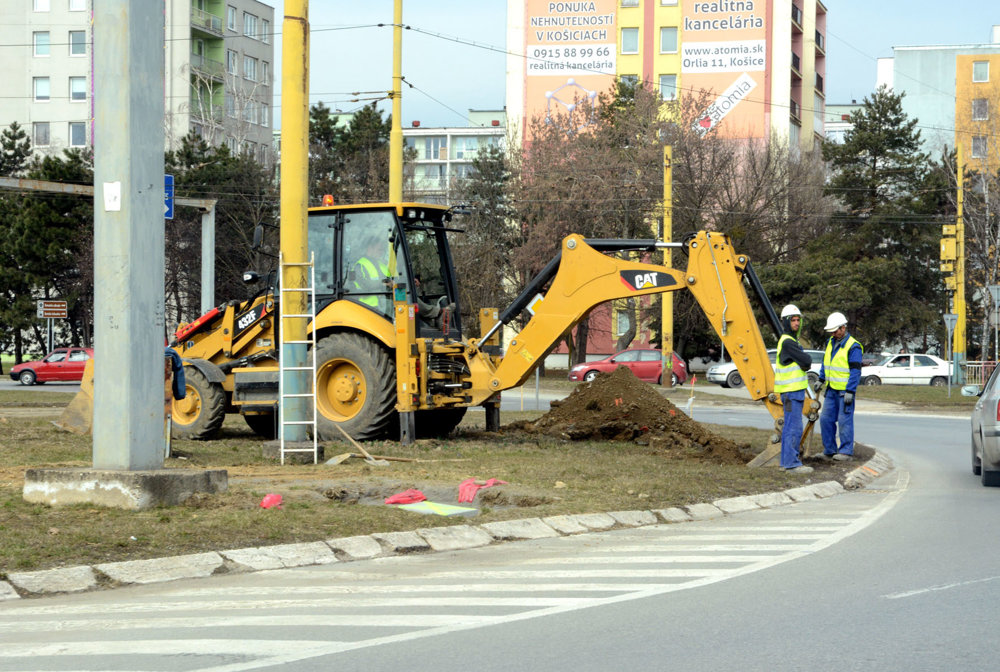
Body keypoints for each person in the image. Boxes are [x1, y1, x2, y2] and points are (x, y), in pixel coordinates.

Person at [814, 311, 864, 461]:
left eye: (835, 331)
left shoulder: (853, 346)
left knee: (844, 421)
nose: (833, 334)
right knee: (825, 420)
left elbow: (855, 371)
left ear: (843, 328)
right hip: (831, 390)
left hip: (844, 392)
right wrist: (821, 379)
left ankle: (845, 451)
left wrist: (850, 390)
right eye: (831, 332)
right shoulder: (830, 342)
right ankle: (829, 450)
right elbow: (826, 363)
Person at [775, 304, 814, 474]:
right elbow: (806, 362)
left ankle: (786, 462)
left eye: (798, 320)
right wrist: (805, 360)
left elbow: (804, 361)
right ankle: (791, 464)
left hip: (793, 392)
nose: (797, 323)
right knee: (794, 427)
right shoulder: (788, 342)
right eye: (793, 320)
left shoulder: (792, 341)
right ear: (786, 322)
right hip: (791, 392)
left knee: (791, 426)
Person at [352, 237, 391, 312]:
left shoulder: (382, 265)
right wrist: (383, 284)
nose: (381, 252)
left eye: (382, 250)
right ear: (370, 248)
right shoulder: (359, 266)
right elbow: (365, 286)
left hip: (385, 305)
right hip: (367, 308)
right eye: (379, 250)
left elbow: (392, 279)